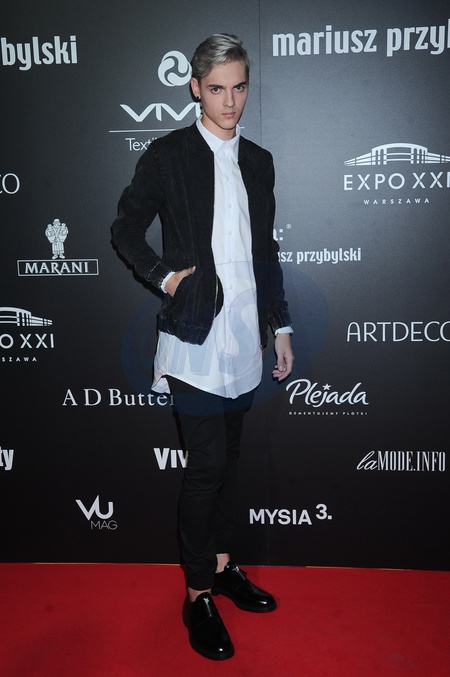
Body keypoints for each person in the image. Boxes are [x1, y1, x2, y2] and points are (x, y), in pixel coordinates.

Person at [111, 33, 294, 661]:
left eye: (239, 87)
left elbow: (266, 251)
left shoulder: (260, 161)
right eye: (217, 88)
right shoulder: (169, 155)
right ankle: (196, 596)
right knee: (207, 465)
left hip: (245, 336)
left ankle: (220, 566)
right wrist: (164, 277)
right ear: (195, 88)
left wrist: (280, 324)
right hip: (193, 336)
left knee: (230, 460)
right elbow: (126, 227)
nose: (230, 101)